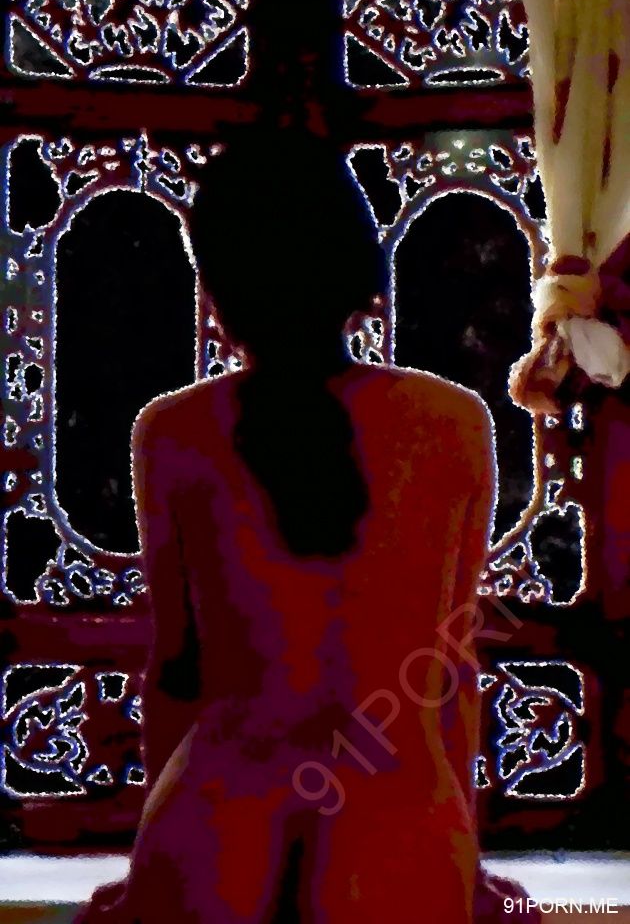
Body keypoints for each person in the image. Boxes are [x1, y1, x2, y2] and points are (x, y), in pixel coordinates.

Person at [75, 131, 533, 922]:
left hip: (213, 830)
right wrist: (467, 867)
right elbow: (448, 672)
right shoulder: (451, 422)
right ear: (356, 267)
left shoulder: (174, 431)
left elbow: (177, 673)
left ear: (217, 284)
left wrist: (149, 870)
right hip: (397, 830)